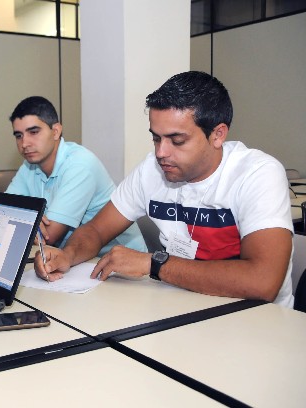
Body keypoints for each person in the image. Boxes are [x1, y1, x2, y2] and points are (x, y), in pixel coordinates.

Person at [35, 72, 294, 307]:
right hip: (179, 306)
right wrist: (67, 255)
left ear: (217, 135)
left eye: (177, 140)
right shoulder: (152, 170)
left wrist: (155, 264)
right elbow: (96, 230)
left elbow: (263, 282)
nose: (161, 153)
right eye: (156, 138)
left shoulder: (257, 174)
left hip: (254, 319)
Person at [5, 96, 146, 254]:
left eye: (34, 132)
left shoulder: (80, 164)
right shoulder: (29, 166)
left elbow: (48, 237)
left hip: (118, 259)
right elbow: (3, 215)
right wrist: (28, 222)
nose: (24, 143)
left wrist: (25, 221)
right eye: (19, 136)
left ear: (56, 131)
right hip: (73, 256)